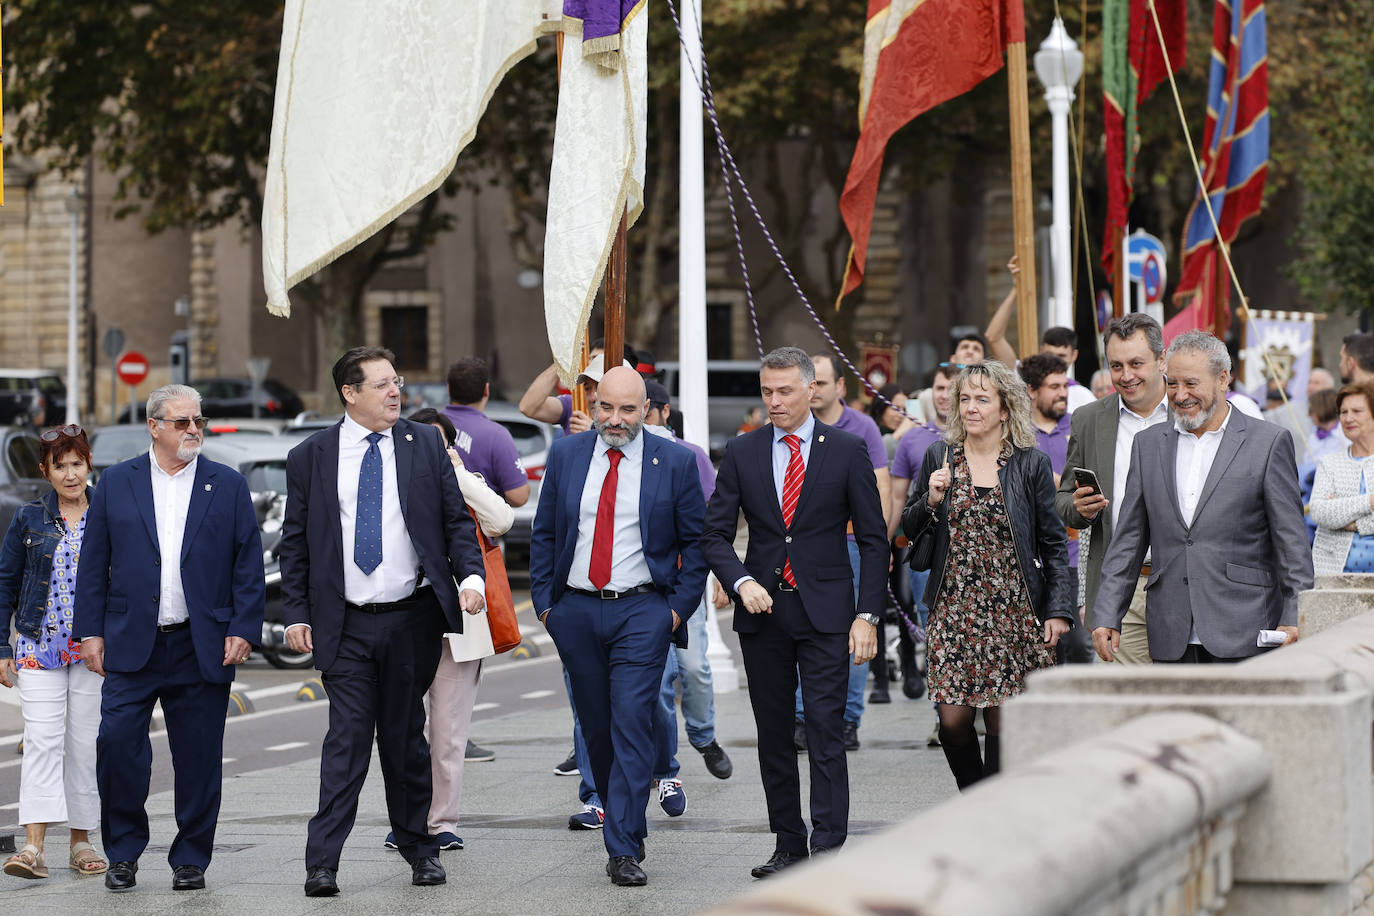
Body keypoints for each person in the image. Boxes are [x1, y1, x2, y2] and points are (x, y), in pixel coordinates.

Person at [278, 347, 486, 897]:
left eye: (398, 382)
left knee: (404, 740)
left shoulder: (423, 448)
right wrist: (295, 613)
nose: (397, 393)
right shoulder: (311, 456)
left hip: (410, 619)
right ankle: (321, 863)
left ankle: (419, 848)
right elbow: (294, 545)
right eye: (383, 385)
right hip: (343, 625)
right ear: (350, 393)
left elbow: (454, 522)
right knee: (346, 740)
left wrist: (470, 579)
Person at [701, 347, 886, 879]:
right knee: (774, 733)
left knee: (826, 729)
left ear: (812, 390)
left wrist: (867, 615)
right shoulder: (743, 451)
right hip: (763, 616)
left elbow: (874, 541)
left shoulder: (846, 450)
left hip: (827, 613)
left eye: (784, 391)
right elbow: (714, 533)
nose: (774, 401)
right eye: (766, 391)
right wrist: (738, 581)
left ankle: (828, 845)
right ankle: (788, 843)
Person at [73, 385, 265, 892]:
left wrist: (244, 627)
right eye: (182, 422)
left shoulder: (226, 484)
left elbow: (248, 561)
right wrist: (89, 632)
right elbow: (93, 564)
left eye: (198, 420)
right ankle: (123, 852)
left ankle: (191, 859)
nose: (193, 430)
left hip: (201, 642)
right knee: (116, 744)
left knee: (199, 756)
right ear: (154, 426)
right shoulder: (116, 482)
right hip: (130, 640)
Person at [530, 366, 707, 887]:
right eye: (606, 407)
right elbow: (545, 534)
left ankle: (623, 845)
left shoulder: (673, 461)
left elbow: (694, 544)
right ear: (595, 402)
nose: (614, 419)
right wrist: (547, 607)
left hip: (641, 610)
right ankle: (623, 819)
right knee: (597, 729)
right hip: (576, 612)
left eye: (628, 409)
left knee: (632, 720)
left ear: (646, 410)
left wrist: (673, 611)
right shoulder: (566, 454)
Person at [1091, 331, 1314, 663]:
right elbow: (1129, 539)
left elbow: (1291, 543)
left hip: (1247, 627)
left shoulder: (1268, 443)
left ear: (1223, 379)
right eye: (1172, 384)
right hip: (1169, 628)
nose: (1180, 395)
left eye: (1191, 384)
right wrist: (1108, 612)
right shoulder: (1148, 445)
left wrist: (1295, 614)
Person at [903, 361, 1071, 790]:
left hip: (1013, 609)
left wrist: (1058, 611)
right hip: (954, 606)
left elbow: (1053, 544)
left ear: (1004, 408)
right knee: (953, 721)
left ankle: (990, 812)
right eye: (965, 399)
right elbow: (909, 529)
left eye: (983, 399)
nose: (972, 408)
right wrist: (932, 499)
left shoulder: (1030, 464)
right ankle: (975, 795)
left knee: (1003, 722)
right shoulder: (938, 458)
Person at [389, 408, 514, 853]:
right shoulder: (393, 480)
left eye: (441, 444)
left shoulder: (464, 480)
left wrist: (455, 473)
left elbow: (501, 520)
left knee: (447, 731)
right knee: (404, 727)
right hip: (406, 619)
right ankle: (407, 818)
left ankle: (441, 822)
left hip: (461, 624)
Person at [0, 425, 105, 880]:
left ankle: (81, 842)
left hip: (94, 648)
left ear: (88, 466)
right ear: (45, 470)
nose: (69, 474)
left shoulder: (110, 511)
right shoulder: (28, 517)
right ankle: (33, 846)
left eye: (76, 464)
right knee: (43, 740)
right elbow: (5, 580)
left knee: (84, 744)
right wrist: (0, 648)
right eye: (59, 466)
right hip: (38, 645)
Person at [1055, 313, 1170, 664]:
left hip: (1184, 581)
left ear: (1161, 360)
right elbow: (1063, 499)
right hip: (1121, 584)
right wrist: (1079, 507)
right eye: (1116, 365)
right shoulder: (1089, 419)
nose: (1126, 375)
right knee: (1128, 703)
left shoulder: (1189, 410)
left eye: (1137, 363)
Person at [795, 353, 890, 751]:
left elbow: (881, 487)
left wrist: (875, 553)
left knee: (852, 635)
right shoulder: (787, 425)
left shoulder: (862, 428)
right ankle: (802, 718)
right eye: (809, 382)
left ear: (840, 387)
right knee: (801, 631)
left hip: (850, 544)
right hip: (800, 549)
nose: (814, 390)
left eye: (821, 382)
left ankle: (847, 718)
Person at [441, 355, 531, 764]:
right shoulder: (495, 434)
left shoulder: (421, 427)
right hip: (474, 554)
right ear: (487, 391)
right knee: (469, 648)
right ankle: (458, 733)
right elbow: (518, 497)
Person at [643, 380, 733, 783]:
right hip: (642, 589)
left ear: (664, 412)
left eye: (646, 410)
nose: (640, 419)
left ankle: (703, 736)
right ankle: (665, 763)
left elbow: (714, 520)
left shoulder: (691, 455)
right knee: (659, 680)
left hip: (685, 583)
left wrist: (723, 573)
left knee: (694, 668)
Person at [888, 364, 955, 715]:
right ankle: (943, 712)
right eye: (940, 388)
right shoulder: (913, 438)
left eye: (952, 388)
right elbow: (899, 498)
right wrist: (885, 542)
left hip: (972, 553)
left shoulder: (983, 434)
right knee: (933, 626)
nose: (945, 395)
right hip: (926, 551)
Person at [1019, 355, 1093, 665]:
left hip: (1074, 551)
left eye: (1064, 385)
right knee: (1039, 647)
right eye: (1054, 386)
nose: (1062, 392)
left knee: (1077, 643)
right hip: (1032, 554)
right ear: (1032, 391)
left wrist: (1057, 482)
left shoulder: (1081, 424)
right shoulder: (1017, 433)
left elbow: (1094, 480)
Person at [1311, 382, 1374, 574]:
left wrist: (1351, 523)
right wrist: (1370, 501)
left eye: (1357, 411)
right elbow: (1319, 511)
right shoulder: (1329, 463)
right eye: (1343, 412)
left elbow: (1332, 514)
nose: (1348, 418)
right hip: (1332, 574)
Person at [518, 341, 638, 436]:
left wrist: (592, 432)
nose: (593, 396)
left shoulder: (634, 415)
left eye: (599, 360)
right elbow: (528, 407)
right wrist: (562, 361)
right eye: (588, 389)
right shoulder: (575, 405)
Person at [867, 383, 916, 462]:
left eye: (905, 410)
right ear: (880, 408)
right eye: (895, 408)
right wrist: (897, 435)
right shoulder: (866, 433)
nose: (901, 415)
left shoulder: (908, 440)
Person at [1306, 387, 1348, 465]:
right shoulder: (1313, 436)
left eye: (1311, 410)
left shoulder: (1346, 434)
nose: (1308, 415)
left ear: (1323, 409)